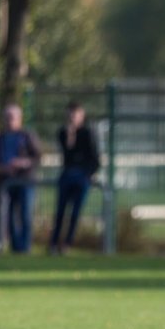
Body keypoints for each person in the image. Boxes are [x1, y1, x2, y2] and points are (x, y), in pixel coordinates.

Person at [49, 101, 100, 254]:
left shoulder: (88, 133)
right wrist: (70, 135)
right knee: (60, 212)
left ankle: (67, 244)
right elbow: (67, 153)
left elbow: (94, 158)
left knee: (75, 213)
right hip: (67, 175)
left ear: (81, 115)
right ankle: (54, 243)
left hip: (81, 176)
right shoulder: (63, 133)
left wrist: (87, 175)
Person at [0, 104, 43, 254]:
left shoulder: (27, 136)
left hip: (25, 181)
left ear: (19, 119)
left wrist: (24, 163)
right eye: (7, 118)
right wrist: (1, 168)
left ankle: (25, 246)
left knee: (25, 214)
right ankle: (15, 248)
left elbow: (37, 156)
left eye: (12, 118)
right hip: (7, 182)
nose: (9, 121)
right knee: (9, 215)